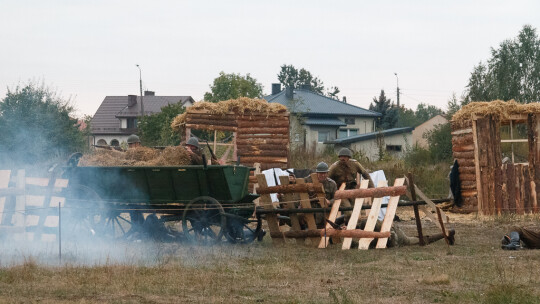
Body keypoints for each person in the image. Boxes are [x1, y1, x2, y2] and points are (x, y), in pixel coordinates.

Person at [303, 162, 337, 228]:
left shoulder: (332, 184)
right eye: (321, 173)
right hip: (310, 209)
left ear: (327, 173)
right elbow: (299, 194)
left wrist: (329, 202)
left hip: (325, 211)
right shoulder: (307, 180)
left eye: (325, 173)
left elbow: (336, 198)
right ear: (317, 173)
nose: (323, 175)